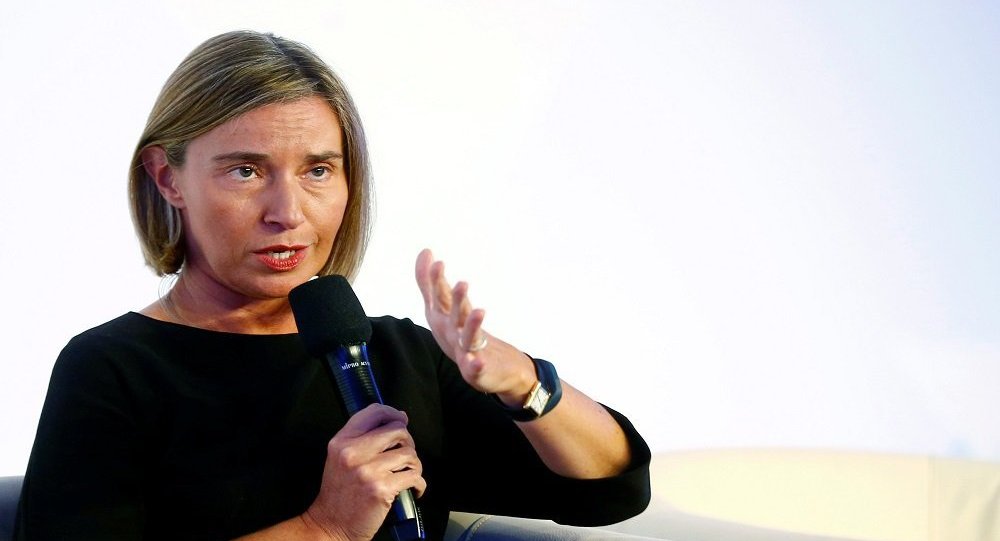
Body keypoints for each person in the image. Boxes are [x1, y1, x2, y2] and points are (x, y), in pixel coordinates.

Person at [15, 30, 650, 540]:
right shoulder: (111, 370)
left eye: (318, 170)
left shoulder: (399, 358)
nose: (287, 212)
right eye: (245, 171)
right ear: (167, 178)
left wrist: (521, 382)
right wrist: (326, 527)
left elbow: (610, 491)